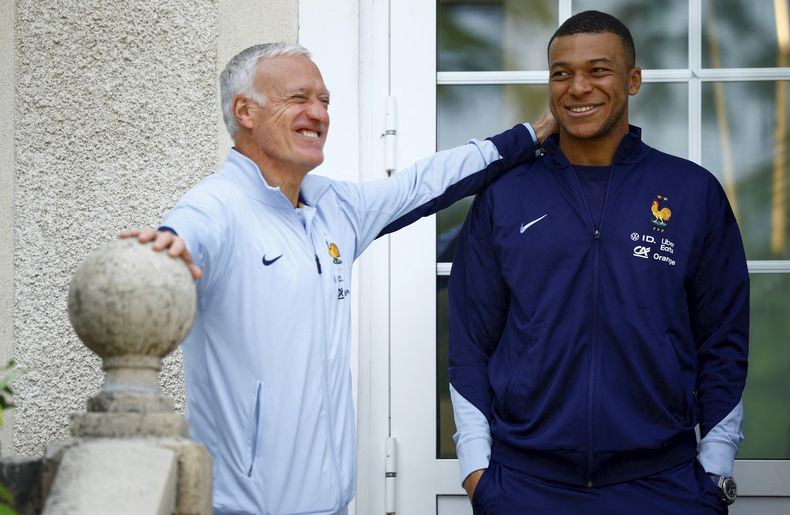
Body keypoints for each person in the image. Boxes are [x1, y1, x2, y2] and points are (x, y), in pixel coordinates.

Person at [123, 42, 555, 515]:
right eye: (299, 98)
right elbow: (189, 231)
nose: (318, 114)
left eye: (324, 101)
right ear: (244, 110)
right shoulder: (217, 205)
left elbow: (425, 183)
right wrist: (169, 243)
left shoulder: (335, 207)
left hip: (332, 505)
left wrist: (529, 136)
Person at [449, 10, 748, 515]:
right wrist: (478, 472)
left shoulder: (691, 192)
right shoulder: (507, 195)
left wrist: (714, 473)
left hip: (663, 486)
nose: (577, 87)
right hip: (526, 486)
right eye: (561, 73)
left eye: (598, 70)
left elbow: (725, 339)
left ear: (633, 80)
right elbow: (469, 338)